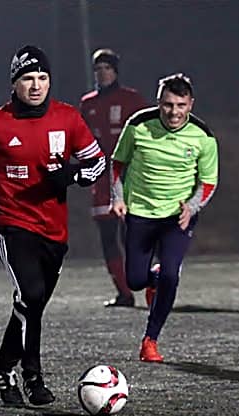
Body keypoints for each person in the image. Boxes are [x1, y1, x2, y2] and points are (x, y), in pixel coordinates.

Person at [0, 45, 105, 406]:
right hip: (12, 225)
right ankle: (33, 377)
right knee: (31, 297)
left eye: (42, 78)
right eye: (28, 78)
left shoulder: (68, 118)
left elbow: (97, 162)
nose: (36, 85)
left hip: (55, 232)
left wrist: (73, 174)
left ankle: (1, 368)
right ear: (14, 84)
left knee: (30, 307)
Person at [109, 73, 218, 363]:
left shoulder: (203, 136)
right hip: (139, 213)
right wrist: (118, 198)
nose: (174, 112)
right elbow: (118, 164)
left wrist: (191, 207)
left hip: (177, 217)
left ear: (191, 104)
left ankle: (150, 340)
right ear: (159, 102)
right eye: (168, 104)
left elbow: (208, 181)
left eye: (181, 105)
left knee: (171, 275)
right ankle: (153, 278)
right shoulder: (138, 125)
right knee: (135, 281)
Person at [79, 49, 149, 308]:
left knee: (133, 234)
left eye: (107, 68)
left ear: (116, 71)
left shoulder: (131, 99)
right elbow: (81, 138)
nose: (102, 73)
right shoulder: (88, 103)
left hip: (129, 174)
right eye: (98, 68)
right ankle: (124, 293)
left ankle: (148, 283)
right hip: (101, 178)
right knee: (108, 236)